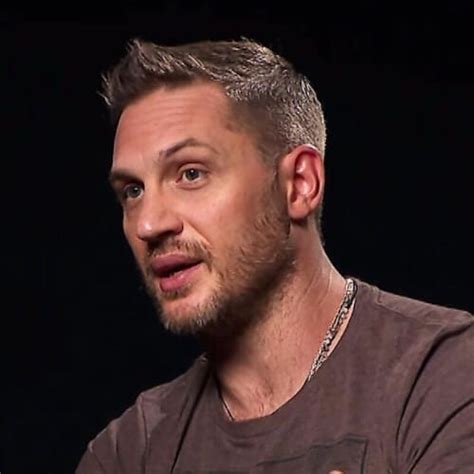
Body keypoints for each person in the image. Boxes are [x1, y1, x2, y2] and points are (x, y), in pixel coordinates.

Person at [76, 37, 473, 473]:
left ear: (299, 185)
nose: (149, 224)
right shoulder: (130, 452)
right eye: (133, 191)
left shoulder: (443, 373)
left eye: (190, 173)